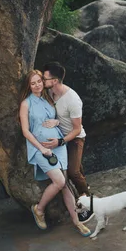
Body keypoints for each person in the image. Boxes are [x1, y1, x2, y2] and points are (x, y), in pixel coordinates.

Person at [19, 69, 91, 237]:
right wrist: (41, 148)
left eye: (39, 81)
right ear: (28, 86)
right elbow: (25, 131)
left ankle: (77, 222)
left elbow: (58, 116)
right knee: (59, 181)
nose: (37, 85)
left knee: (65, 184)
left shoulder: (48, 98)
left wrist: (57, 121)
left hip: (59, 146)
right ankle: (39, 209)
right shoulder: (26, 104)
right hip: (40, 148)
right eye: (33, 83)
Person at [41, 62, 94, 224]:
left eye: (45, 78)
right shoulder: (50, 92)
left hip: (74, 138)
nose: (42, 80)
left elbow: (77, 129)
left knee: (73, 172)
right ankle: (84, 185)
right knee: (74, 168)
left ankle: (89, 203)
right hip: (60, 135)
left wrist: (61, 141)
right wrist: (56, 123)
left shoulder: (72, 100)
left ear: (55, 81)